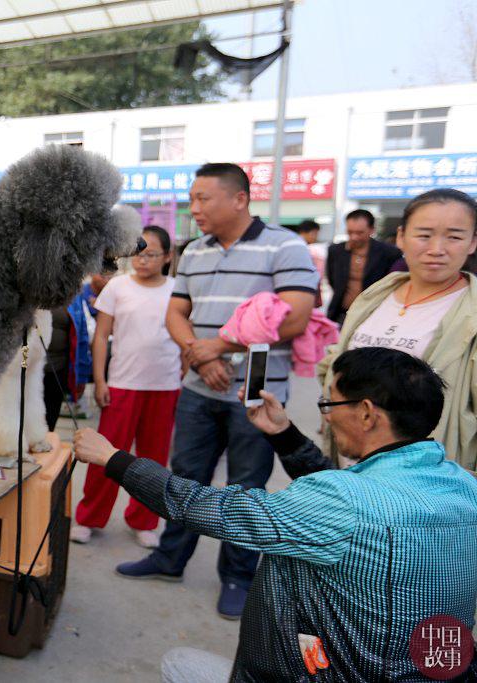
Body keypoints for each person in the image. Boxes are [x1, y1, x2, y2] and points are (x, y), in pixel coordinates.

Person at [75, 347, 477, 681]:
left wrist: (114, 459)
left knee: (178, 665)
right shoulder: (463, 485)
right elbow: (356, 500)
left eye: (329, 402)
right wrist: (284, 435)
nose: (326, 415)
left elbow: (211, 508)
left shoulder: (341, 503)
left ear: (368, 413)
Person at [121, 163, 317, 620]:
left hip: (258, 394)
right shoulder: (194, 252)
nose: (195, 209)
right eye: (192, 199)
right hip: (196, 386)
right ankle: (170, 559)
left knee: (246, 487)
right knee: (186, 476)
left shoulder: (284, 245)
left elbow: (294, 318)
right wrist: (202, 354)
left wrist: (222, 346)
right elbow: (176, 313)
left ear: (240, 199)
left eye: (203, 199)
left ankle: (238, 576)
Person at [318, 188, 477, 470]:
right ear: (401, 236)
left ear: (473, 242)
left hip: (425, 487)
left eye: (454, 236)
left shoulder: (470, 312)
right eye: (424, 235)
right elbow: (337, 361)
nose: (436, 249)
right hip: (351, 469)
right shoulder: (375, 295)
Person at [71, 226, 181, 548]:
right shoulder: (117, 286)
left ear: (168, 256)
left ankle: (144, 519)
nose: (142, 260)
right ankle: (89, 517)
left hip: (165, 384)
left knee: (154, 458)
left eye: (151, 254)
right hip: (123, 383)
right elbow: (101, 337)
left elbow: (185, 334)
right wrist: (101, 381)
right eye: (139, 253)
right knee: (105, 455)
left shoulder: (177, 290)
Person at [325, 209, 401, 325]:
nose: (354, 237)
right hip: (341, 313)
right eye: (350, 232)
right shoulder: (336, 251)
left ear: (371, 230)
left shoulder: (389, 253)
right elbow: (332, 279)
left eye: (360, 232)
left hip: (374, 314)